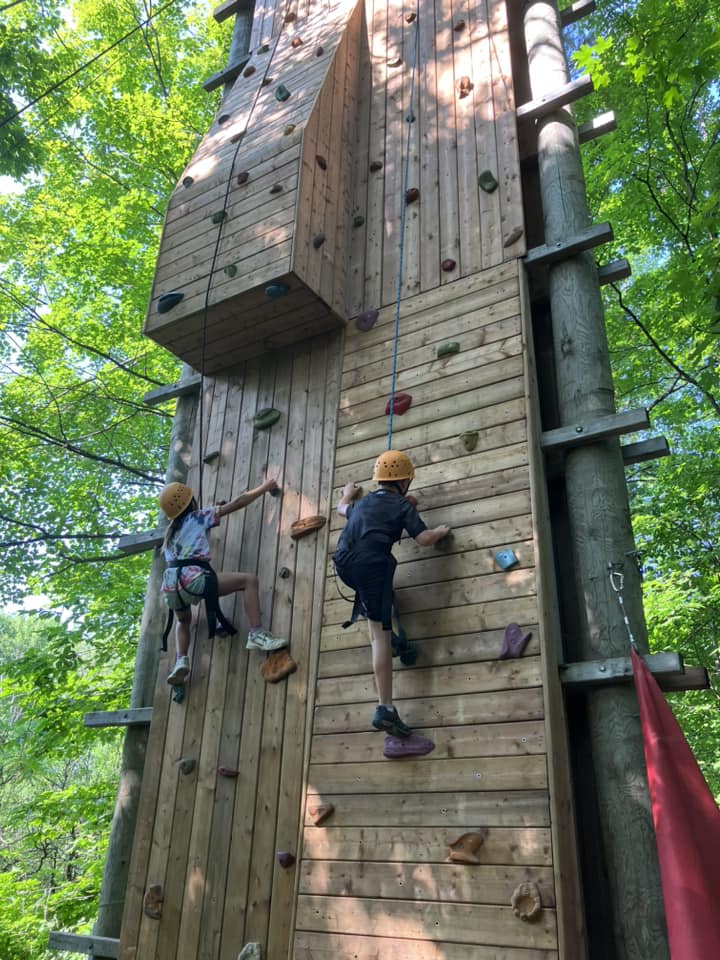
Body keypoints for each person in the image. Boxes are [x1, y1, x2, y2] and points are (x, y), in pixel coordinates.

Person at [334, 450, 450, 737]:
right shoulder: (401, 506)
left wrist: (348, 492)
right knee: (379, 636)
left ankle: (388, 627)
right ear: (404, 481)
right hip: (372, 567)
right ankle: (385, 708)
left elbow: (341, 509)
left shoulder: (362, 503)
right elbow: (424, 539)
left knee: (378, 607)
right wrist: (440, 531)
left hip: (344, 565)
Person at [158, 479, 287, 685]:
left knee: (183, 621)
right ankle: (257, 633)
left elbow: (192, 541)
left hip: (171, 588)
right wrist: (265, 487)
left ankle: (181, 659)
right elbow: (238, 502)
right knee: (249, 581)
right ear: (191, 502)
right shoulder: (198, 516)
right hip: (194, 580)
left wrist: (211, 514)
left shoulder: (170, 534)